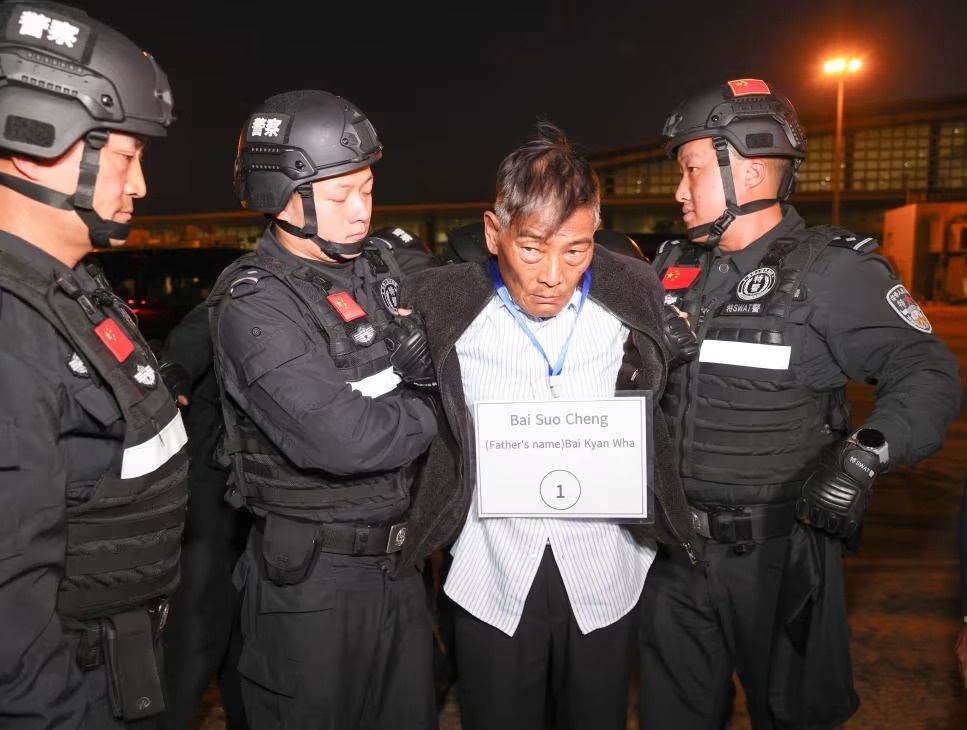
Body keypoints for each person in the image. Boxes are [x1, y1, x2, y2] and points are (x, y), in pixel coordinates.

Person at [641, 78, 962, 729]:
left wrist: (864, 454)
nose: (678, 190)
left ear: (750, 170)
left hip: (777, 556)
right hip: (673, 555)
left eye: (691, 170)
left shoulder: (830, 271)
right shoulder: (671, 268)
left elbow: (924, 371)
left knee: (792, 716)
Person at [398, 121, 699, 730]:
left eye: (576, 249)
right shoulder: (441, 304)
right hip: (492, 568)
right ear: (494, 231)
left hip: (606, 567)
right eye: (531, 247)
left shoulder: (635, 298)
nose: (552, 274)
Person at [207, 90, 439, 729]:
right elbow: (346, 440)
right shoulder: (256, 304)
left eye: (367, 190)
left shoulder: (380, 271)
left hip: (401, 566)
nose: (361, 212)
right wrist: (435, 400)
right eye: (340, 198)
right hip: (313, 585)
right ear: (281, 199)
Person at [0, 2, 187, 727]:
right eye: (126, 157)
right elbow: (12, 618)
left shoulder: (69, 285)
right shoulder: (12, 326)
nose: (139, 186)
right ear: (33, 142)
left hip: (117, 666)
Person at [157, 302, 250, 730]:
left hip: (257, 506)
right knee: (193, 641)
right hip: (209, 497)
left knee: (248, 647)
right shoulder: (235, 296)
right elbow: (188, 345)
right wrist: (172, 372)